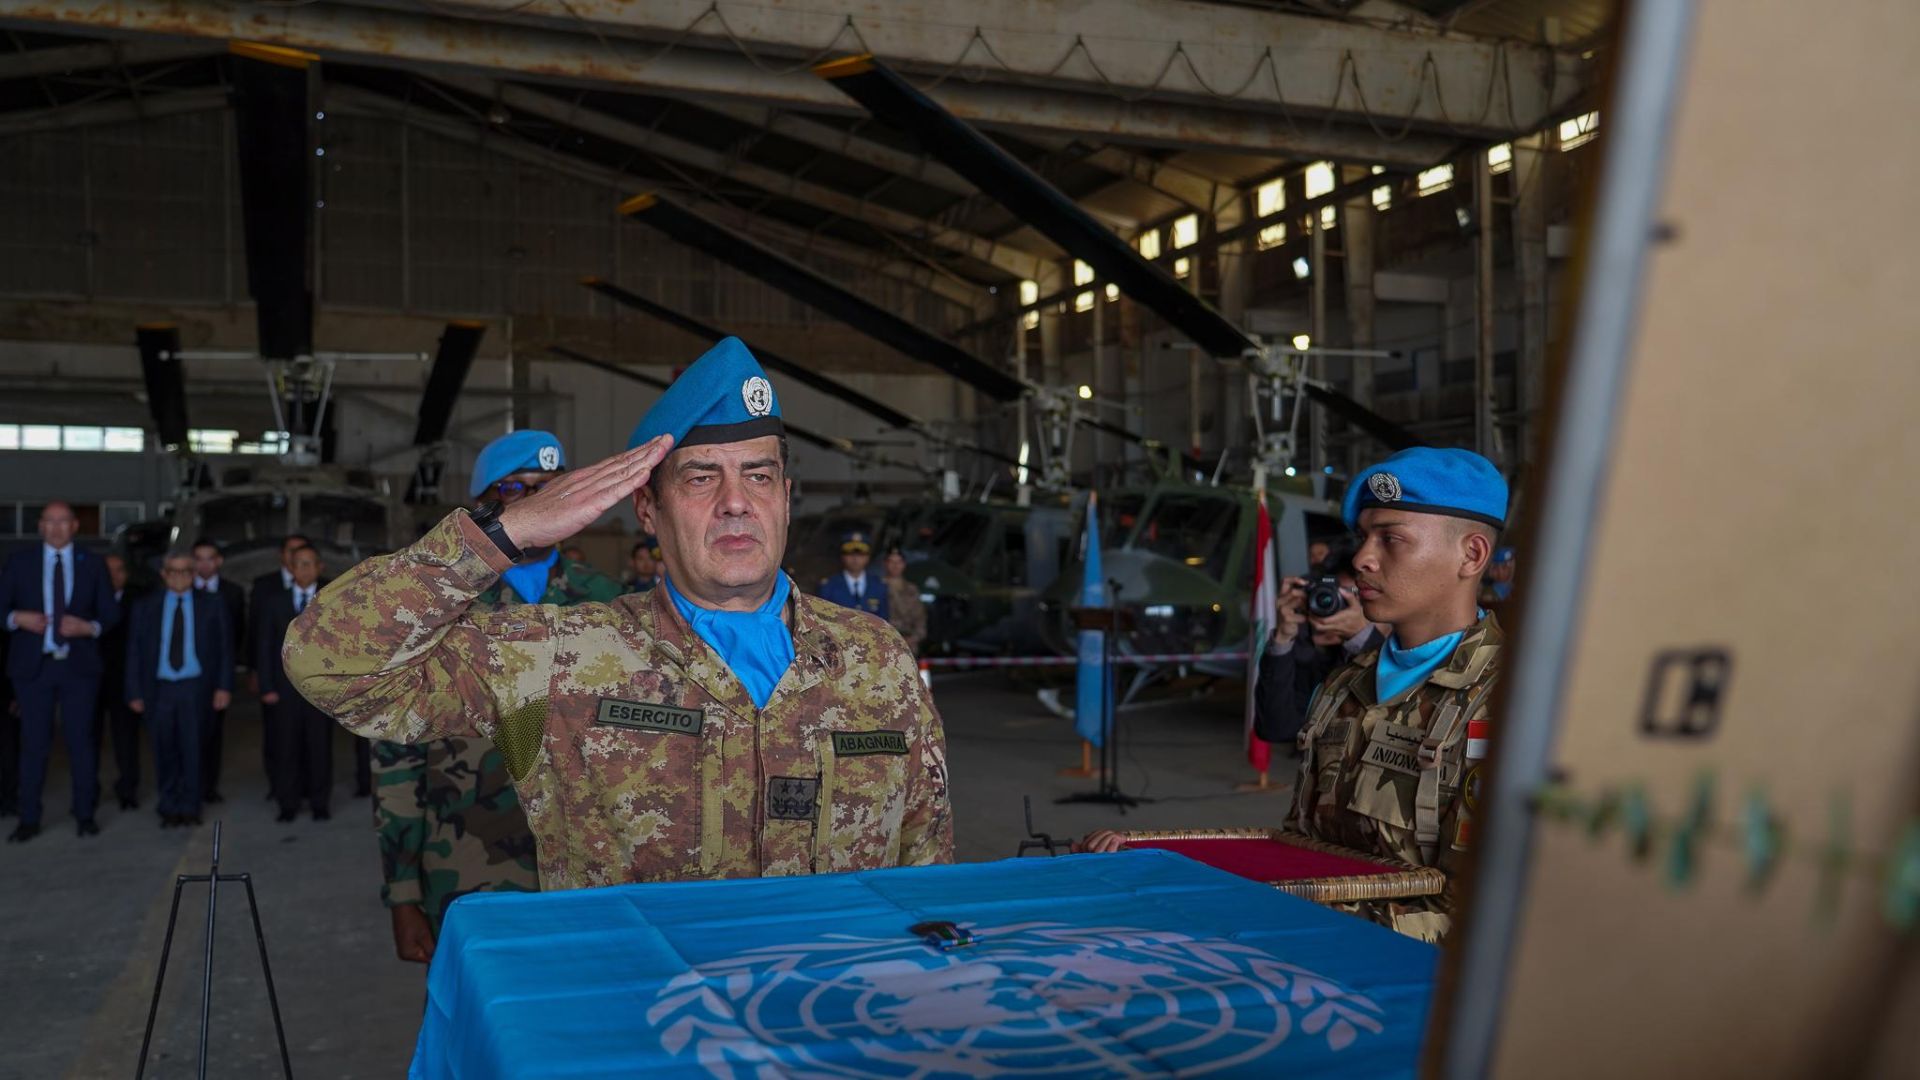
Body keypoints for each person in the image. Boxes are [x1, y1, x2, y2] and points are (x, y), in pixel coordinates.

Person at [285, 336, 951, 889]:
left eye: (758, 474)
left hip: (829, 1021)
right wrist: (499, 534)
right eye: (700, 477)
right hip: (648, 1029)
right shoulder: (557, 657)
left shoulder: (877, 658)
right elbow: (329, 663)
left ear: (785, 496)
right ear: (647, 510)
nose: (736, 501)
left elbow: (927, 864)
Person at [1081, 447, 1507, 945]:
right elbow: (1304, 853)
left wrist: (1260, 916)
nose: (1363, 559)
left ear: (1471, 555)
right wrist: (1161, 859)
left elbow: (1482, 921)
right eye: (1364, 537)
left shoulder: (1511, 705)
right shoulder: (1345, 684)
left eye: (1391, 539)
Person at [372, 430, 621, 964]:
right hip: (469, 859)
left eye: (549, 486)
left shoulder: (606, 599)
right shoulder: (440, 604)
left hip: (591, 866)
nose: (536, 500)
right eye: (515, 488)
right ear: (482, 505)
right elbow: (398, 753)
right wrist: (403, 893)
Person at [2, 502, 121, 841]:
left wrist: (89, 627)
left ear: (74, 527)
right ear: (40, 526)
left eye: (63, 521)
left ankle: (85, 815)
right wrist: (17, 619)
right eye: (49, 521)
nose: (56, 528)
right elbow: (1, 607)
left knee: (81, 743)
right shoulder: (20, 562)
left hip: (78, 669)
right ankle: (29, 818)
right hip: (33, 669)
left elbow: (110, 614)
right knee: (33, 744)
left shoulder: (93, 563)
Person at [125, 552, 233, 828]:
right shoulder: (146, 606)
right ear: (163, 574)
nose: (179, 576)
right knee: (164, 749)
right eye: (173, 571)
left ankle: (191, 805)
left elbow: (224, 649)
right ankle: (169, 806)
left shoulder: (212, 604)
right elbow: (134, 651)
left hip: (195, 688)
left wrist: (223, 686)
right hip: (159, 689)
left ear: (194, 573)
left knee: (193, 748)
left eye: (185, 571)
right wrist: (134, 691)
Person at [1253, 547, 1385, 749]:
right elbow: (1275, 728)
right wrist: (1282, 638)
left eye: (1352, 598)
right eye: (1333, 596)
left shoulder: (1391, 650)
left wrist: (1361, 636)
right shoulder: (1306, 654)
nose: (1336, 609)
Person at [256, 546, 336, 821]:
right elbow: (265, 646)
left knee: (319, 748)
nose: (303, 569)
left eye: (309, 564)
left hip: (319, 691)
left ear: (319, 567)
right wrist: (266, 686)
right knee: (286, 748)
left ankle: (319, 802)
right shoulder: (275, 602)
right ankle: (287, 803)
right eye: (298, 564)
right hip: (284, 690)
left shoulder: (331, 599)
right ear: (291, 569)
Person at [250, 532, 312, 802]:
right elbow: (257, 634)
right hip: (277, 679)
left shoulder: (323, 589)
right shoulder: (265, 587)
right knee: (277, 737)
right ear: (284, 557)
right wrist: (258, 673)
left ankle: (310, 791)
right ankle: (279, 787)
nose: (297, 558)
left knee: (312, 740)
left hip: (311, 683)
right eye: (292, 552)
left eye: (303, 553)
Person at [191, 538, 246, 805]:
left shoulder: (232, 593)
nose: (204, 564)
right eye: (198, 558)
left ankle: (208, 786)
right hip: (187, 675)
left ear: (218, 561)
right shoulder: (181, 590)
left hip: (217, 675)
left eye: (209, 558)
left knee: (213, 734)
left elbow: (236, 635)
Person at [96, 554, 144, 810]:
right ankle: (89, 791)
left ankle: (128, 790)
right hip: (91, 683)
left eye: (119, 570)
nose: (114, 576)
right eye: (108, 571)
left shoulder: (137, 600)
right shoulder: (88, 598)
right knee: (88, 739)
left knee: (126, 740)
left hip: (124, 683)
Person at [817, 531, 889, 621]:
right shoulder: (828, 586)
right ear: (842, 557)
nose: (855, 558)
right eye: (850, 554)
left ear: (868, 557)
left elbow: (884, 622)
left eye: (861, 554)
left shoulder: (879, 585)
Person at [881, 547, 926, 655]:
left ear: (904, 564)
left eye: (899, 562)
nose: (895, 565)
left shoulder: (912, 589)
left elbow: (920, 619)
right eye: (891, 561)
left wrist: (914, 638)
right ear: (885, 564)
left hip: (909, 646)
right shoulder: (877, 587)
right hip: (885, 644)